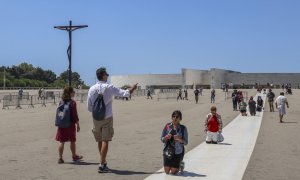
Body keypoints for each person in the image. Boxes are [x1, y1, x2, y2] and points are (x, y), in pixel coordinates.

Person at [87, 67, 137, 173]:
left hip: (96, 118)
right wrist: (133, 88)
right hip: (107, 116)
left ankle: (103, 161)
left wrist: (95, 111)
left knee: (99, 140)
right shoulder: (109, 87)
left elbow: (89, 107)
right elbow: (125, 93)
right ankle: (101, 164)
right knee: (106, 140)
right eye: (107, 74)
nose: (108, 76)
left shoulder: (92, 89)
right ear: (103, 75)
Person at [55, 86, 82, 164]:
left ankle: (60, 158)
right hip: (70, 124)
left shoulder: (61, 101)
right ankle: (74, 155)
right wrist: (78, 124)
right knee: (72, 141)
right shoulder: (72, 102)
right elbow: (74, 115)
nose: (74, 92)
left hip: (62, 124)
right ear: (70, 93)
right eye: (73, 91)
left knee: (61, 141)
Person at [161, 110, 188, 175]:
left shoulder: (183, 128)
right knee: (167, 171)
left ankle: (181, 164)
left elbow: (186, 142)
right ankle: (178, 163)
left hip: (177, 151)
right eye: (173, 116)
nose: (175, 118)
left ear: (180, 118)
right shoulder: (167, 126)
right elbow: (162, 139)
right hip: (168, 151)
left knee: (173, 172)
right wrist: (166, 137)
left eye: (177, 117)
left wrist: (179, 139)